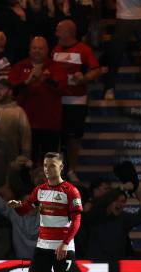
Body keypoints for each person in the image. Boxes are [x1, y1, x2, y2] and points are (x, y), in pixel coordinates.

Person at [8, 152, 83, 272]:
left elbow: (77, 220)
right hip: (42, 246)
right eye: (45, 165)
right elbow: (27, 209)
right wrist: (18, 206)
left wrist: (65, 243)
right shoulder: (39, 190)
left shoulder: (70, 191)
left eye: (52, 165)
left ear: (61, 168)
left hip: (63, 248)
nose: (47, 169)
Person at [52, 20, 101, 182]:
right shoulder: (55, 50)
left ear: (69, 32)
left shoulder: (84, 50)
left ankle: (72, 169)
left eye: (59, 30)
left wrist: (85, 78)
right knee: (57, 136)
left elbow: (96, 70)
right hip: (56, 100)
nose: (56, 33)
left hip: (76, 101)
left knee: (74, 138)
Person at [8, 36, 68, 160]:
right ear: (29, 50)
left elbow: (62, 89)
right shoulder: (19, 66)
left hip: (50, 124)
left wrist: (45, 80)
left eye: (40, 48)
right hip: (25, 124)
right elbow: (11, 91)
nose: (37, 51)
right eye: (34, 48)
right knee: (27, 161)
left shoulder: (56, 67)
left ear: (47, 50)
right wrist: (27, 81)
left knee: (50, 164)